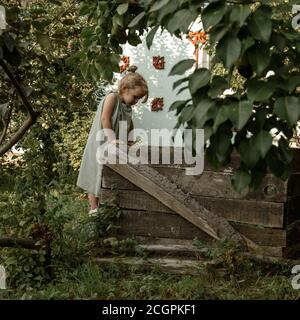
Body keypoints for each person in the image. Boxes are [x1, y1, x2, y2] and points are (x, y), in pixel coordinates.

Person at [76, 65, 148, 216]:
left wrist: (129, 139)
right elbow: (105, 118)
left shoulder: (127, 106)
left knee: (110, 173)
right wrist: (112, 139)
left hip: (113, 144)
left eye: (139, 99)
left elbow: (128, 123)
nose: (136, 101)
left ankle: (106, 205)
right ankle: (93, 209)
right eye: (135, 97)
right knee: (96, 173)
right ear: (124, 89)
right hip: (101, 141)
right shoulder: (112, 97)